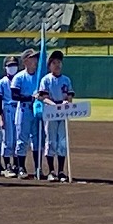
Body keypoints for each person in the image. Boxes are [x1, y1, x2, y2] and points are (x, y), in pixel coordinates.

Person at [36, 50, 75, 182]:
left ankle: (61, 171)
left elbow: (69, 96)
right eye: (54, 63)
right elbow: (43, 97)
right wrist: (54, 105)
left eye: (59, 62)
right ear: (49, 65)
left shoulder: (66, 80)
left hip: (62, 112)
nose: (57, 65)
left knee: (62, 141)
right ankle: (51, 171)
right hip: (51, 111)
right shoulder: (46, 80)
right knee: (51, 141)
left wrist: (66, 103)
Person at [10, 49, 41, 179]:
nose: (36, 61)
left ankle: (38, 168)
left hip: (37, 110)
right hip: (24, 109)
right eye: (32, 58)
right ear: (25, 61)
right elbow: (14, 95)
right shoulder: (19, 77)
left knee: (37, 139)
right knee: (22, 139)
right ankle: (21, 167)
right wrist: (30, 98)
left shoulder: (40, 76)